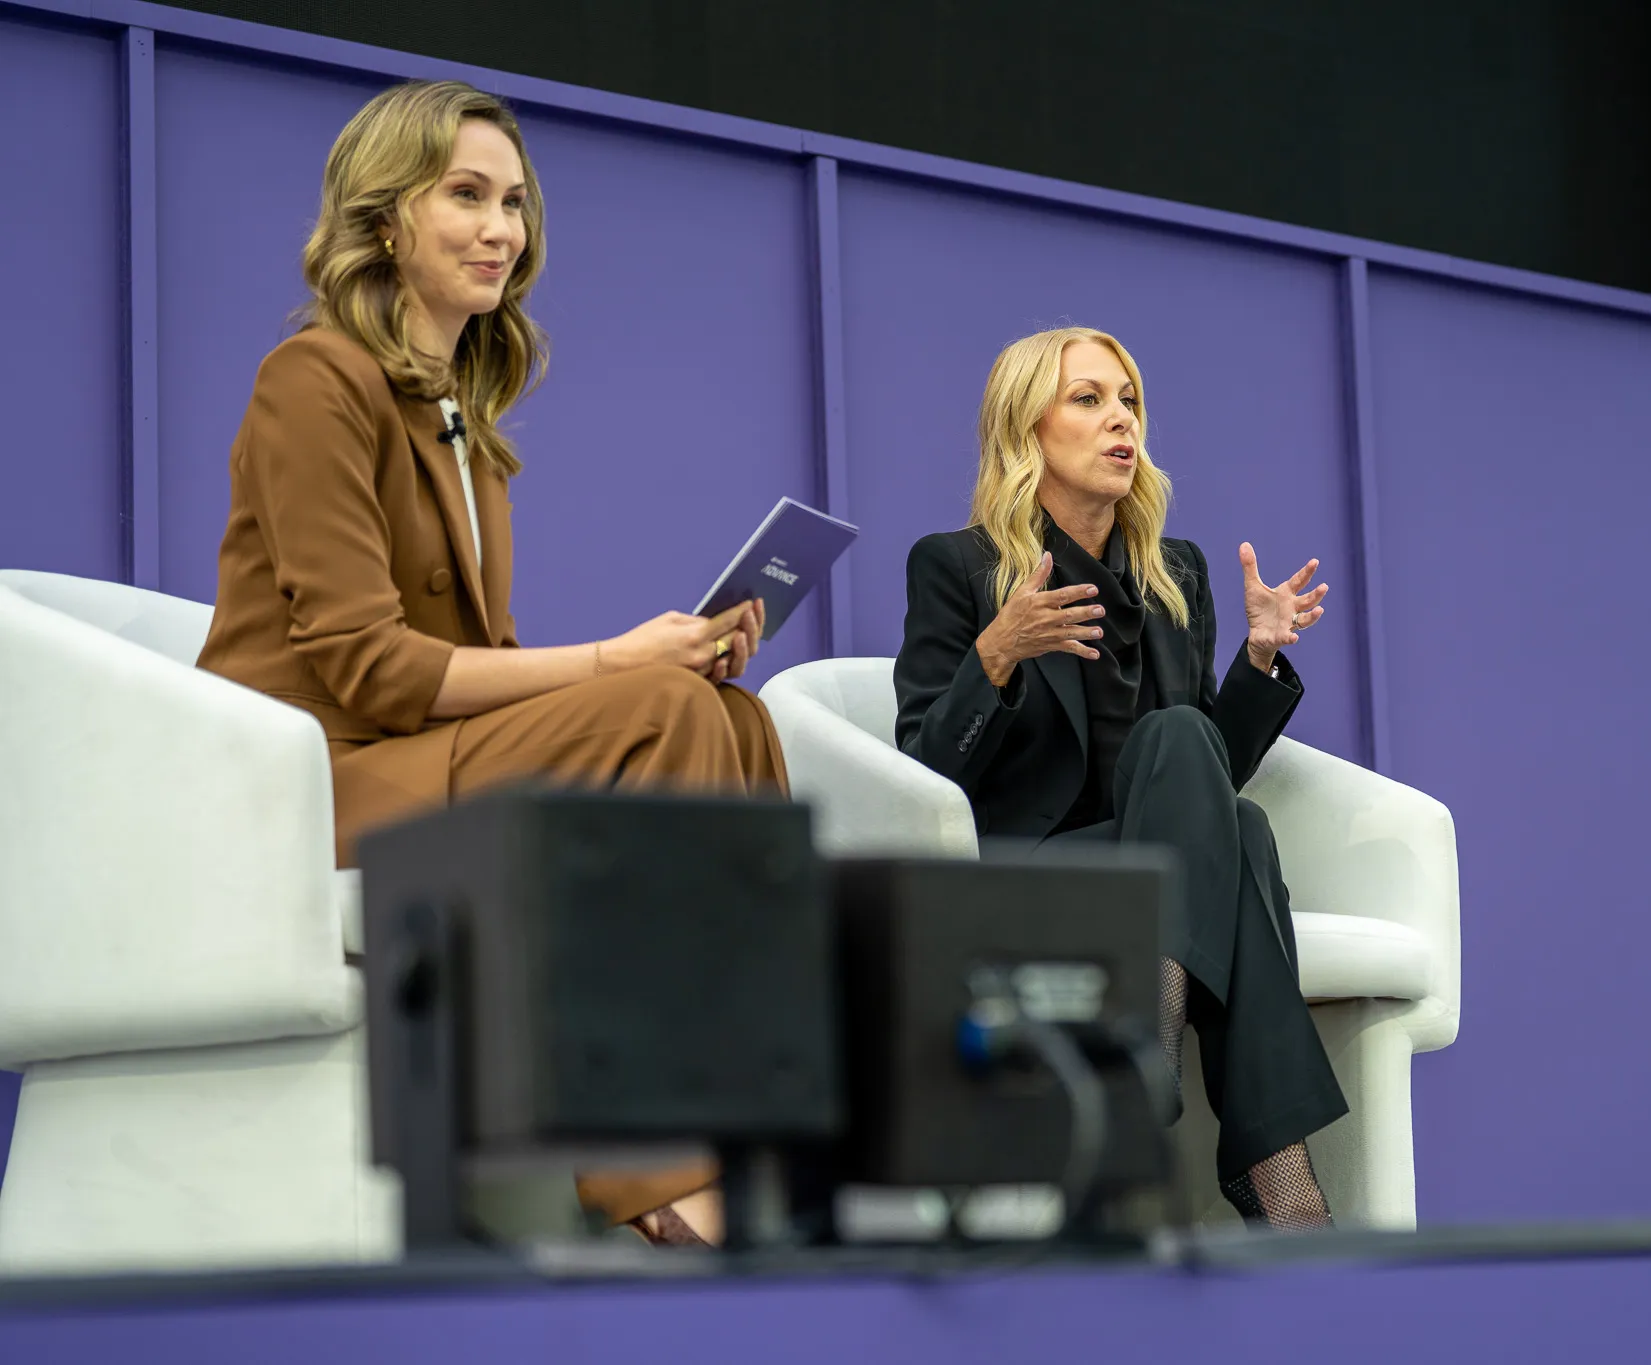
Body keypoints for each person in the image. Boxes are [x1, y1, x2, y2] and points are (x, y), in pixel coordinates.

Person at [196, 80, 780, 1246]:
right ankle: (652, 1174)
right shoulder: (310, 381)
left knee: (732, 724)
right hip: (305, 790)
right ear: (383, 219)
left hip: (409, 764)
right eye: (464, 195)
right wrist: (621, 663)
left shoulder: (466, 427)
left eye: (512, 202)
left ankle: (740, 1129)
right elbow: (371, 669)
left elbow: (476, 669)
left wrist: (662, 665)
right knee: (660, 713)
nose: (500, 229)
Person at [894, 327, 1348, 1230]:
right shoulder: (960, 567)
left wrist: (1257, 663)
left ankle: (1152, 1057)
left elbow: (1206, 780)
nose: (1119, 422)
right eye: (1089, 399)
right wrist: (996, 652)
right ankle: (1282, 1185)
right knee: (1242, 837)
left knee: (1228, 808)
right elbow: (920, 774)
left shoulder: (1175, 576)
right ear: (1028, 429)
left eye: (1129, 401)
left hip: (1149, 871)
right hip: (1032, 868)